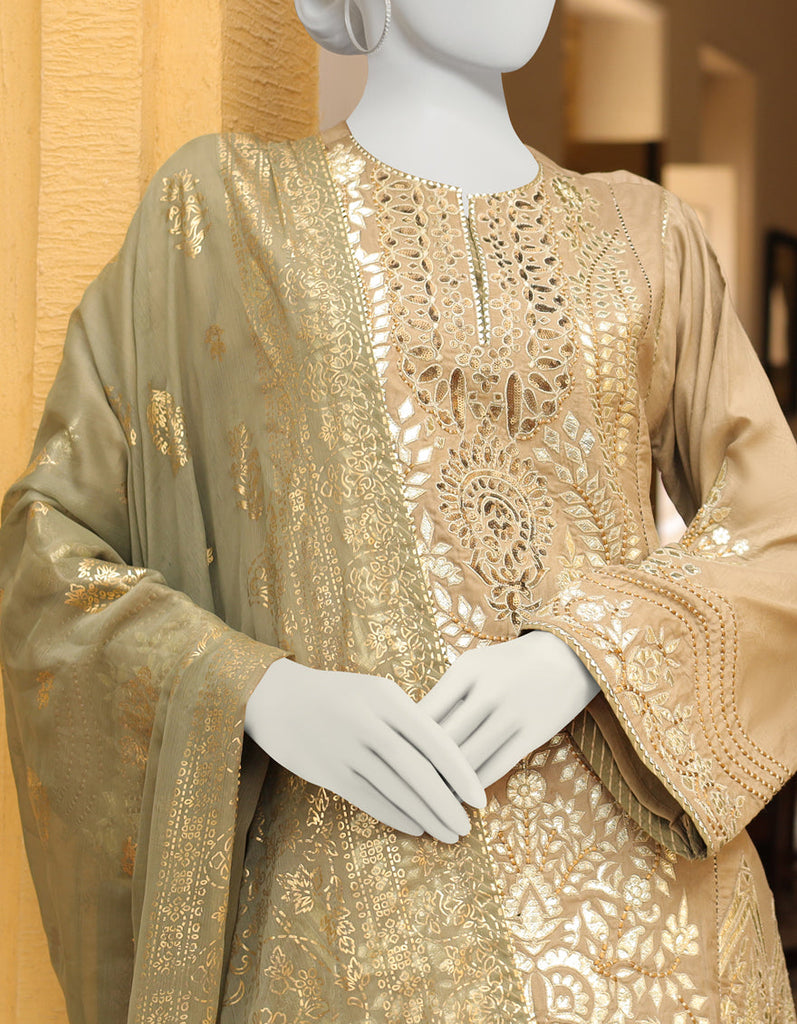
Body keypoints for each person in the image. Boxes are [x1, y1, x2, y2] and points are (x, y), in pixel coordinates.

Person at [1, 0, 796, 1021]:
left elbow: (778, 534)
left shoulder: (648, 237)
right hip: (348, 946)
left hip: (669, 963)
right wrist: (258, 692)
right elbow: (53, 552)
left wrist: (588, 652)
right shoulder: (227, 213)